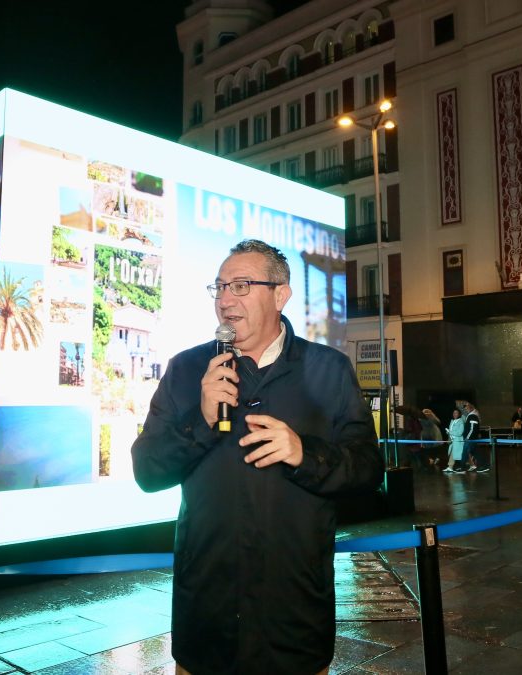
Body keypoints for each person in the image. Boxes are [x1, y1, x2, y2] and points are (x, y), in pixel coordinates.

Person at [131, 239, 383, 674]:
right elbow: (147, 471)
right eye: (220, 287)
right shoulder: (188, 370)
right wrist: (201, 419)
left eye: (242, 285)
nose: (226, 299)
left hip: (294, 621)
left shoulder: (329, 370)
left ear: (280, 294)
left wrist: (306, 454)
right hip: (206, 621)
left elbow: (368, 470)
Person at [457, 400, 488, 473]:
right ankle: (483, 466)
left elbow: (472, 428)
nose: (466, 408)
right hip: (472, 439)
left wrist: (467, 438)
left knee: (465, 453)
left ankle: (462, 468)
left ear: (471, 407)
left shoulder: (472, 416)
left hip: (470, 439)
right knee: (475, 453)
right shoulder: (472, 415)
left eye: (467, 407)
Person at [445, 408, 466, 473]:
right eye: (454, 413)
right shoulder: (452, 421)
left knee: (462, 455)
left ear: (459, 414)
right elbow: (451, 431)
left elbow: (460, 432)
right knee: (452, 453)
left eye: (456, 413)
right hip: (452, 440)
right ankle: (450, 467)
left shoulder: (461, 421)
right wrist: (448, 433)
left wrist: (450, 432)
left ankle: (464, 467)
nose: (455, 414)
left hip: (458, 441)